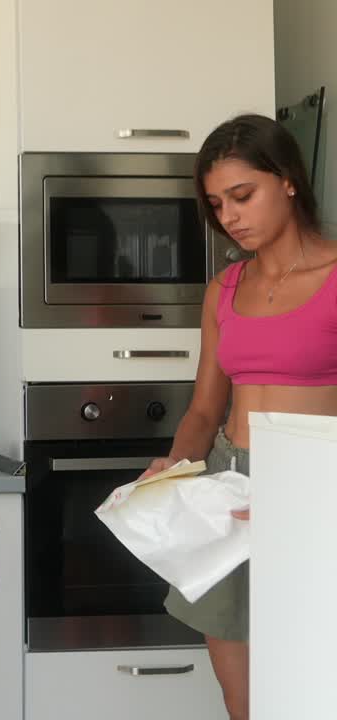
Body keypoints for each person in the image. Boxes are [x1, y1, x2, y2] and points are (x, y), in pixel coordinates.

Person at [140, 113, 337, 720]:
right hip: (229, 489)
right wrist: (172, 469)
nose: (229, 215)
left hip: (317, 491)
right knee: (245, 702)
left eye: (242, 195)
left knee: (310, 695)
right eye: (217, 203)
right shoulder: (224, 288)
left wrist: (307, 491)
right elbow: (204, 408)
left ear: (288, 181)